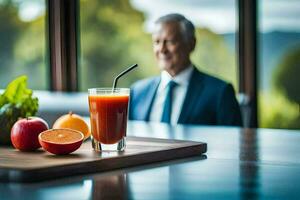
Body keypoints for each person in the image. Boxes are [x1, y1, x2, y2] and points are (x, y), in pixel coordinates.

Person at [129, 13, 242, 126]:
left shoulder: (220, 92)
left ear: (191, 44)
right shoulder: (137, 92)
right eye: (157, 42)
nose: (162, 49)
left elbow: (234, 141)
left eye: (170, 41)